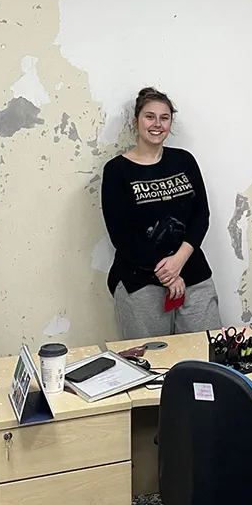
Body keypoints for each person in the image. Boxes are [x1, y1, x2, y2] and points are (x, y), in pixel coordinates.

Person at [101, 87, 221, 338]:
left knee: (204, 356)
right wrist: (167, 275)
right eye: (149, 116)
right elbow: (121, 235)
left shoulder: (184, 161)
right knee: (150, 363)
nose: (157, 124)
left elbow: (201, 215)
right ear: (136, 122)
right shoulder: (117, 170)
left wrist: (178, 262)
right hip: (140, 279)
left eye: (164, 118)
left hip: (192, 272)